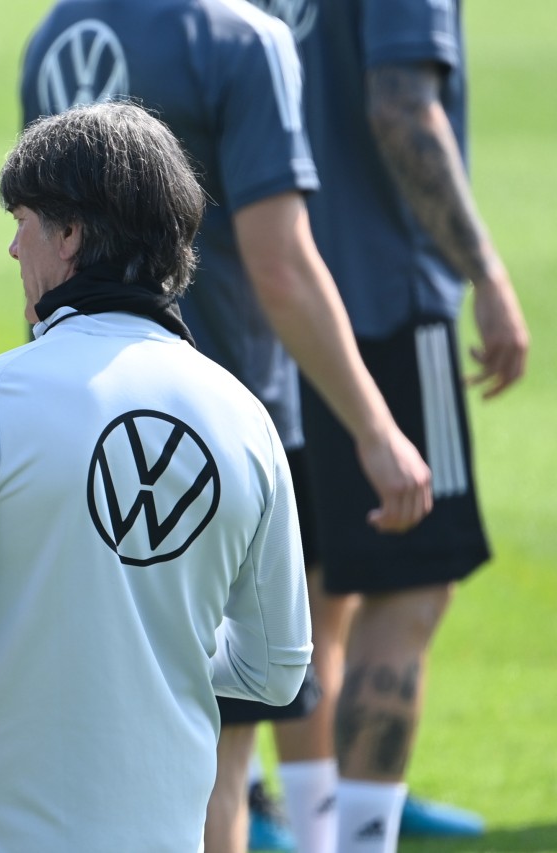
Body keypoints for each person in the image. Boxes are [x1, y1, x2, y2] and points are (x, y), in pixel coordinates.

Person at [18, 2, 432, 850]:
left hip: (77, 424)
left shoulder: (55, 35)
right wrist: (375, 426)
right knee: (217, 751)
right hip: (222, 430)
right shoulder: (245, 39)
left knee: (112, 739)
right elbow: (279, 261)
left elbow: (38, 253)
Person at [0, 100, 312, 852]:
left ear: (70, 234)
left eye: (24, 221)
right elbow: (277, 671)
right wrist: (149, 638)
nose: (14, 249)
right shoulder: (245, 419)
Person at [262, 1, 529, 851]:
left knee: (310, 584)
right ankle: (362, 831)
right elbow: (401, 104)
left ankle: (315, 825)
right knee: (412, 586)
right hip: (385, 302)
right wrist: (482, 271)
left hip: (277, 300)